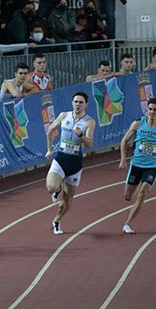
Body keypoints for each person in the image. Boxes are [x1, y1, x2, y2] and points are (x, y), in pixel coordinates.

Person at [118, 97, 156, 234]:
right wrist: (123, 159)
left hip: (152, 166)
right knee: (127, 197)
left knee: (143, 193)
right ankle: (138, 183)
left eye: (154, 110)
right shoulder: (138, 124)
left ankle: (127, 224)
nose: (151, 112)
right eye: (149, 109)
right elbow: (124, 141)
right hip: (136, 165)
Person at [45, 92, 95, 235]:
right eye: (75, 101)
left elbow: (90, 143)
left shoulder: (89, 122)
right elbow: (50, 130)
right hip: (61, 159)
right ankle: (58, 188)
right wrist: (49, 149)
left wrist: (80, 135)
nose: (77, 104)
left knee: (68, 200)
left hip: (75, 163)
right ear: (72, 103)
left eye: (80, 102)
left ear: (86, 104)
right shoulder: (63, 116)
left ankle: (57, 220)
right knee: (51, 187)